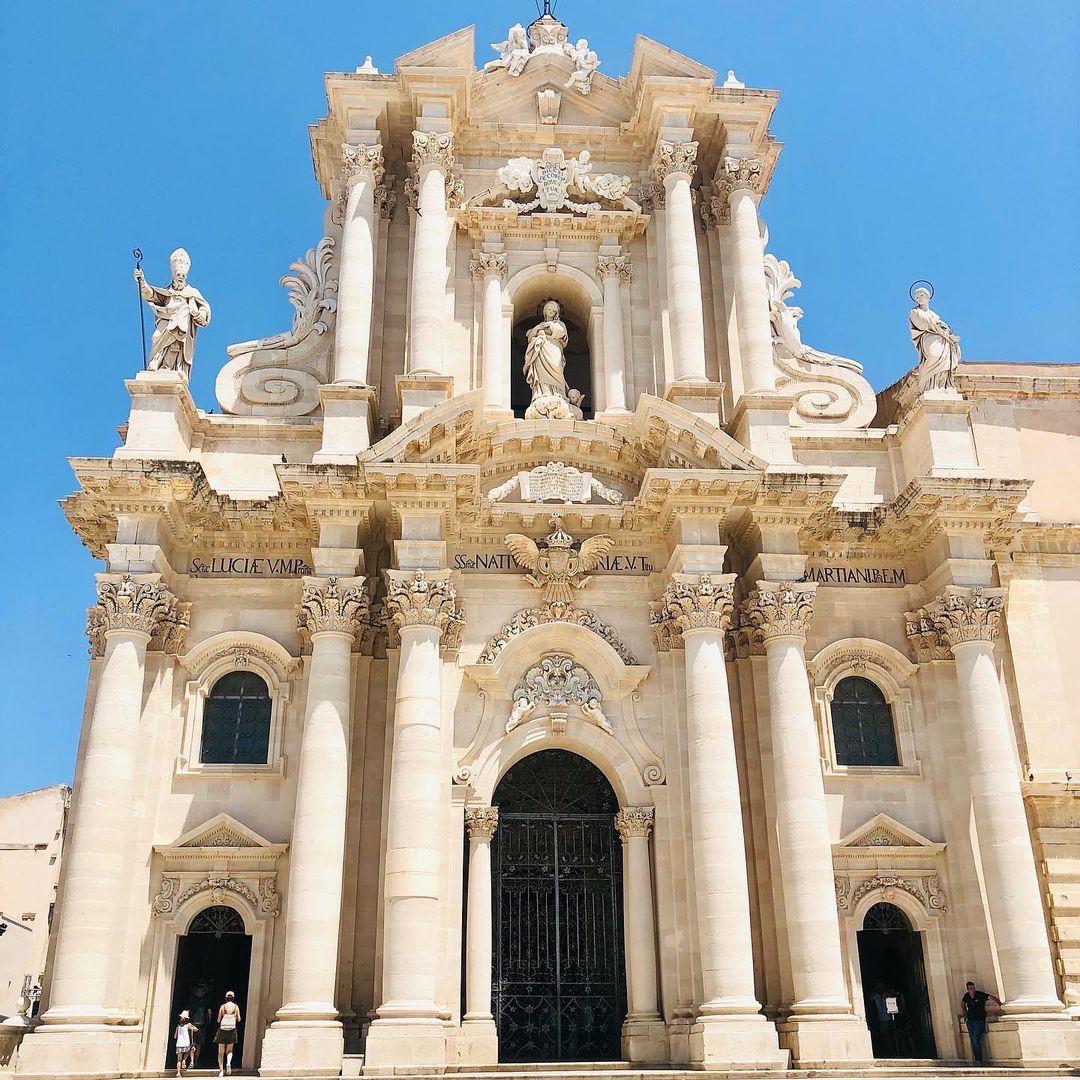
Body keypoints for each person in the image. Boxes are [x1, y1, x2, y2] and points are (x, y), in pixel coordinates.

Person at [134, 248, 212, 381]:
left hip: (182, 327)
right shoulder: (166, 292)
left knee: (178, 332)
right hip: (166, 322)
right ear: (173, 276)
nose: (180, 277)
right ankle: (159, 363)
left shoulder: (192, 293)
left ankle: (170, 367)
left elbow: (205, 312)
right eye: (178, 275)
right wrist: (141, 281)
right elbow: (150, 295)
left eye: (183, 276)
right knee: (158, 338)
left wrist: (197, 313)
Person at [960, 980, 999, 1062]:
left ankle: (978, 1059)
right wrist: (965, 1015)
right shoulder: (966, 996)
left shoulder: (980, 995)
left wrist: (1000, 1005)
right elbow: (962, 1003)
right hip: (970, 1021)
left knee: (976, 1039)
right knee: (973, 1039)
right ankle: (977, 1058)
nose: (973, 989)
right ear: (967, 989)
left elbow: (992, 997)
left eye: (973, 988)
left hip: (979, 1020)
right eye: (971, 988)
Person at [214, 990, 241, 1076]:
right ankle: (228, 1063)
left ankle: (221, 1071)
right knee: (229, 1050)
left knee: (221, 1052)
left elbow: (218, 1019)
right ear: (233, 998)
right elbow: (239, 1019)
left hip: (223, 1029)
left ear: (226, 998)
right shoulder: (236, 1007)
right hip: (232, 1029)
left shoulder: (223, 1007)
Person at [173, 1010, 197, 1076]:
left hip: (179, 1044)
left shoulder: (178, 1027)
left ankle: (178, 1073)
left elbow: (175, 1036)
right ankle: (184, 1059)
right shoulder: (188, 1026)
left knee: (178, 1060)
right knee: (190, 1050)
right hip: (186, 1043)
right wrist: (191, 1026)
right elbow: (196, 1029)